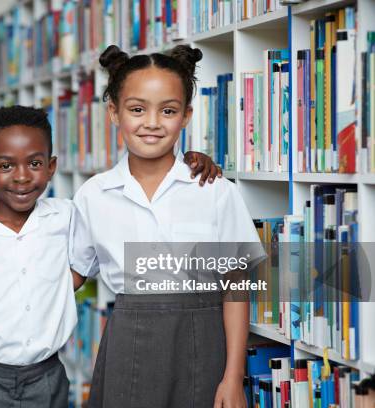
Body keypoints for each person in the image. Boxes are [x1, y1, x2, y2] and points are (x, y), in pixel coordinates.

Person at [0, 105, 221, 408]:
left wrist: (185, 162)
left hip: (47, 377)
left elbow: (119, 196)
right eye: (5, 166)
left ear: (51, 167)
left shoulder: (68, 216)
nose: (23, 177)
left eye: (35, 163)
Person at [70, 45, 265, 408]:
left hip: (204, 344)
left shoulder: (215, 191)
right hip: (129, 344)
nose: (152, 123)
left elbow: (236, 287)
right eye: (137, 109)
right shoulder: (93, 195)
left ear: (187, 115)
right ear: (114, 112)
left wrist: (233, 377)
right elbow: (72, 276)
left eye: (169, 110)